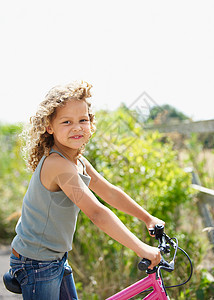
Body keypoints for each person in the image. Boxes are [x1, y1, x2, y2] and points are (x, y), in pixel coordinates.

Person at [10, 80, 165, 300]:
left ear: (91, 123)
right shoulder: (58, 164)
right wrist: (142, 248)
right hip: (36, 263)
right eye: (66, 122)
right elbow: (97, 212)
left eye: (83, 120)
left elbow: (109, 192)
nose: (76, 127)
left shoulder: (77, 160)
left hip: (55, 257)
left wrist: (147, 218)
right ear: (49, 127)